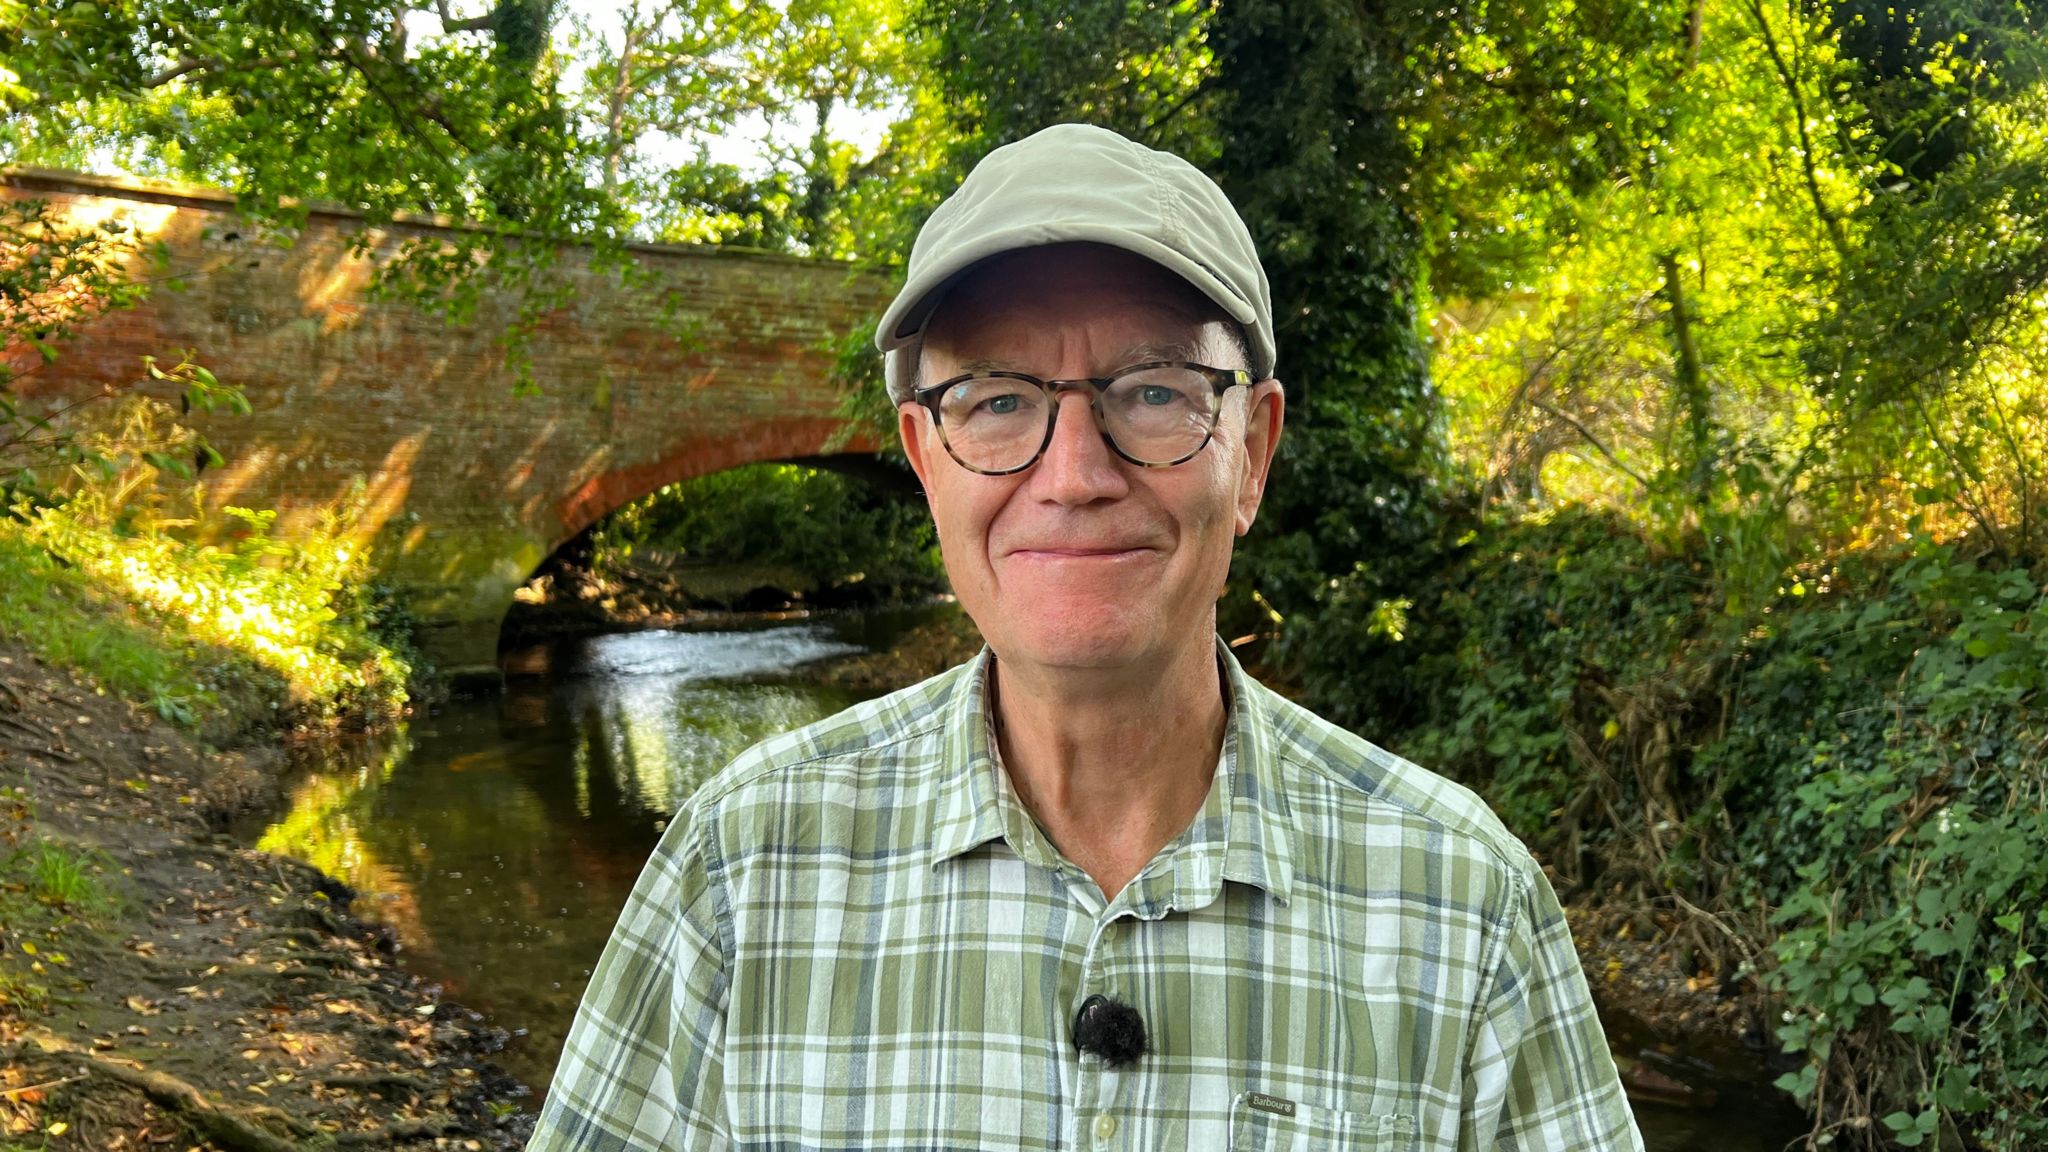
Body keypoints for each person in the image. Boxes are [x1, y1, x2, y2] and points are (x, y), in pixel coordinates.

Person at [527, 123, 1644, 1151]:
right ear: (924, 461)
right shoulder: (741, 865)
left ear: (1249, 452)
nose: (1073, 476)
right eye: (997, 401)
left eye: (1153, 392)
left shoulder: (1461, 899)